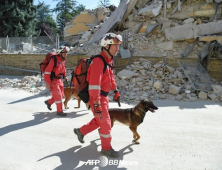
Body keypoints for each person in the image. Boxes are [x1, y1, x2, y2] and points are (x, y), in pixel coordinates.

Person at [73, 33, 122, 158]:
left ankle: (80, 131)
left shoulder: (108, 61)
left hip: (103, 98)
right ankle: (106, 148)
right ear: (106, 46)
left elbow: (111, 79)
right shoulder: (98, 62)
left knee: (99, 120)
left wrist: (116, 91)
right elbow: (94, 86)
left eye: (118, 46)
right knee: (105, 122)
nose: (117, 49)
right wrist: (96, 104)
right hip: (97, 98)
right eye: (115, 46)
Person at [44, 46, 70, 117]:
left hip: (60, 80)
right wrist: (48, 83)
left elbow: (63, 68)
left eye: (66, 53)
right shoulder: (54, 59)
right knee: (58, 96)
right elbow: (47, 72)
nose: (66, 55)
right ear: (60, 53)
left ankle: (49, 102)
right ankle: (59, 111)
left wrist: (65, 76)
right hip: (53, 81)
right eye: (64, 53)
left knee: (61, 95)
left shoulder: (63, 59)